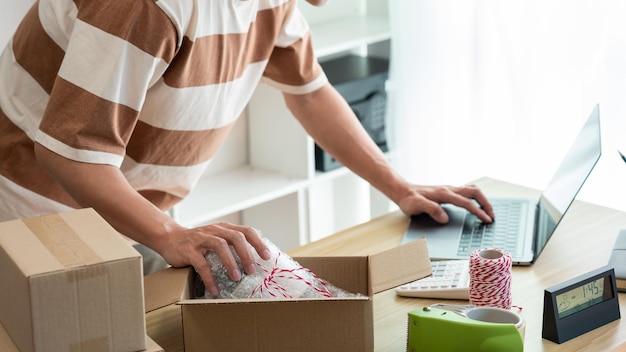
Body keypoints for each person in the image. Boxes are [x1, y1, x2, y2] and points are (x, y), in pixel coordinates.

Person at [0, 0, 494, 296]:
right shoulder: (150, 6)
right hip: (32, 217)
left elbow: (312, 93)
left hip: (127, 211)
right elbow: (68, 153)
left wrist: (400, 187)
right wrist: (171, 235)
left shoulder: (273, 3)